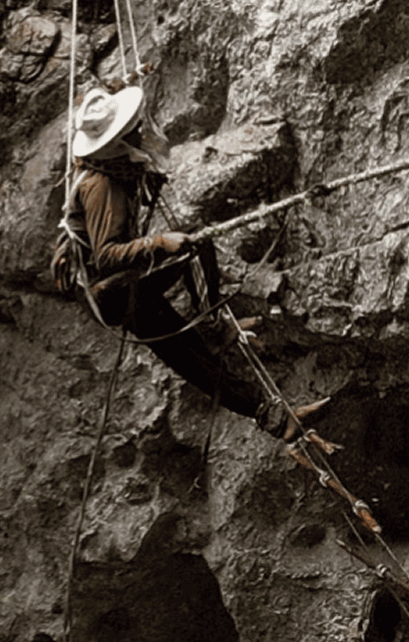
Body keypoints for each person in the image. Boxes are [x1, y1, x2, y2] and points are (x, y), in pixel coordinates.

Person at [54, 86, 289, 427]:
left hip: (115, 285)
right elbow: (106, 255)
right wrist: (160, 243)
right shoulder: (103, 186)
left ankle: (255, 397)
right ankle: (225, 347)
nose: (137, 131)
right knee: (189, 342)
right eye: (129, 129)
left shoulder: (110, 170)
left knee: (188, 347)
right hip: (111, 291)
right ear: (115, 142)